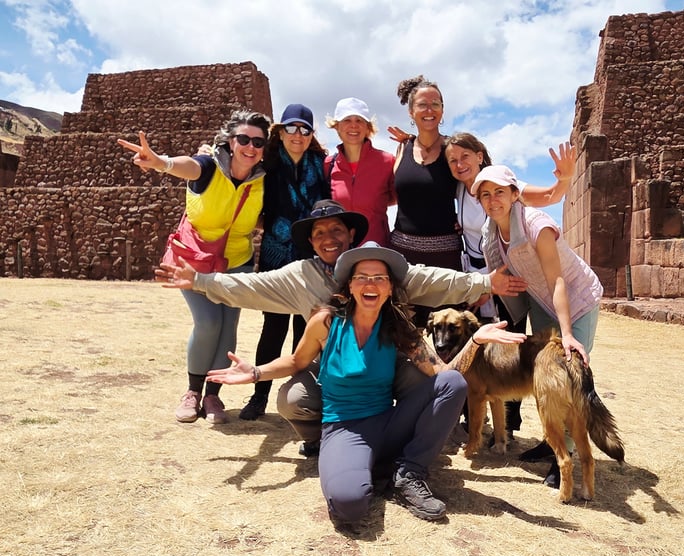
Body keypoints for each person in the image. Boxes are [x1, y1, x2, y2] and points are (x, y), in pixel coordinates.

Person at [155, 199, 530, 453]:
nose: (328, 239)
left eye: (336, 230)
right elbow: (249, 287)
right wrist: (202, 281)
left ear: (351, 234)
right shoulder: (300, 276)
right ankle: (322, 439)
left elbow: (429, 279)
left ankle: (404, 439)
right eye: (319, 234)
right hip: (333, 368)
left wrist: (483, 283)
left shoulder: (376, 266)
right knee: (293, 399)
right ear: (312, 243)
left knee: (426, 380)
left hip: (387, 361)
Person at [206, 241, 527, 523]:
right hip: (344, 429)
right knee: (349, 506)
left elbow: (444, 375)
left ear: (389, 288)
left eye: (379, 278)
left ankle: (409, 472)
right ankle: (372, 466)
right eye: (362, 277)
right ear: (349, 286)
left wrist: (476, 342)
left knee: (454, 385)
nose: (370, 283)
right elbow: (296, 362)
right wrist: (256, 372)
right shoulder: (327, 320)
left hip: (388, 423)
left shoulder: (396, 325)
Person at [118, 110, 270, 424]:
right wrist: (161, 162)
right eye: (244, 139)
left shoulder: (262, 179)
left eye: (258, 141)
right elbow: (186, 166)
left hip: (237, 261)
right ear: (231, 141)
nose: (250, 146)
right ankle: (192, 391)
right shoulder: (208, 166)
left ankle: (214, 396)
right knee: (209, 323)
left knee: (229, 327)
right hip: (194, 259)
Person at [472, 164, 603, 485]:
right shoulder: (493, 232)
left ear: (515, 194)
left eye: (500, 192)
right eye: (485, 195)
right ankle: (551, 444)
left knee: (569, 372)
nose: (492, 200)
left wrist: (568, 334)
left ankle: (567, 455)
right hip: (542, 302)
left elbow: (557, 279)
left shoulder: (536, 225)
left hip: (576, 297)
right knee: (548, 380)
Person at [444, 133, 576, 437]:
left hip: (511, 274)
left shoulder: (501, 183)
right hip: (483, 273)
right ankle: (489, 421)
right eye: (453, 159)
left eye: (466, 156)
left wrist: (565, 180)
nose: (459, 163)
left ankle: (513, 422)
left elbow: (549, 197)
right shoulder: (461, 192)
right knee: (488, 350)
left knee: (515, 349)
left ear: (480, 155)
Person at [241, 104, 328, 421]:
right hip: (276, 256)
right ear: (281, 131)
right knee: (273, 326)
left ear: (311, 135)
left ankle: (297, 394)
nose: (298, 135)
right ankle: (259, 394)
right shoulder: (269, 163)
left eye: (305, 130)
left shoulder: (320, 164)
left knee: (306, 330)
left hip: (310, 257)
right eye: (291, 128)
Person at [390, 75, 462, 327]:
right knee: (404, 335)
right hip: (403, 258)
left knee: (448, 339)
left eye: (436, 103)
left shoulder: (455, 150)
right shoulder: (402, 149)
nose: (429, 110)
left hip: (446, 260)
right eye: (422, 104)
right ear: (411, 111)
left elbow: (482, 188)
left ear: (443, 110)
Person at [325, 97, 396, 247]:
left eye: (359, 120)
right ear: (337, 126)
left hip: (376, 253)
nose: (353, 126)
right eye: (347, 120)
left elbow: (397, 198)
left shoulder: (388, 162)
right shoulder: (327, 165)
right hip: (339, 254)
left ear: (367, 127)